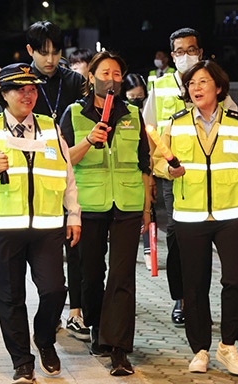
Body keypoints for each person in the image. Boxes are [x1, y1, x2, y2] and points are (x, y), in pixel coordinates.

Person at [0, 63, 81, 384]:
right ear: (5, 95)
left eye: (32, 89)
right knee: (10, 297)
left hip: (47, 227)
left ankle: (44, 339)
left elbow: (68, 177)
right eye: (19, 90)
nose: (27, 95)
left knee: (55, 290)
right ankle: (21, 360)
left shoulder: (51, 129)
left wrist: (74, 214)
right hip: (3, 228)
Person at [153, 60, 238, 376]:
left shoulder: (236, 123)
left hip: (230, 214)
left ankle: (229, 346)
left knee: (235, 281)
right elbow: (157, 162)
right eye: (192, 84)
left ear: (218, 87)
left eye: (203, 82)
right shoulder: (175, 124)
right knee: (195, 285)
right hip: (190, 215)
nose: (197, 88)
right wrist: (167, 170)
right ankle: (199, 349)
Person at [59, 51, 152, 376]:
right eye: (104, 72)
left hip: (127, 202)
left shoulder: (132, 114)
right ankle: (98, 330)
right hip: (90, 204)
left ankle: (119, 349)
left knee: (123, 275)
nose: (110, 78)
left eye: (116, 73)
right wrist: (88, 139)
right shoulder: (74, 113)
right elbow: (63, 159)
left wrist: (146, 208)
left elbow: (144, 163)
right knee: (90, 274)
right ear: (92, 77)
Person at [143, 27, 238, 328]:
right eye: (180, 51)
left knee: (208, 241)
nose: (186, 56)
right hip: (176, 177)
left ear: (200, 50)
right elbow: (150, 133)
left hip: (213, 180)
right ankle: (181, 299)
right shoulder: (160, 87)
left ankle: (203, 301)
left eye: (191, 49)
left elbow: (235, 125)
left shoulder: (216, 84)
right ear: (172, 56)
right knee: (177, 237)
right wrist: (152, 178)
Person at [25, 20, 90, 341]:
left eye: (55, 52)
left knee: (75, 245)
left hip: (74, 168)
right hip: (37, 174)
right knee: (46, 252)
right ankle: (50, 310)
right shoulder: (22, 83)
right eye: (43, 52)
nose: (50, 59)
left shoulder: (75, 80)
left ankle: (76, 312)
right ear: (30, 51)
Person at [121, 73, 155, 270]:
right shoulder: (123, 114)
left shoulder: (149, 111)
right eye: (132, 97)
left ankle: (149, 250)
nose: (137, 101)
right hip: (129, 168)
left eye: (140, 96)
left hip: (149, 163)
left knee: (149, 207)